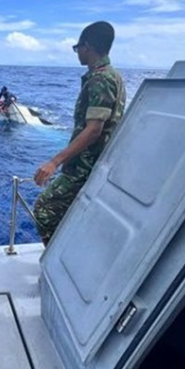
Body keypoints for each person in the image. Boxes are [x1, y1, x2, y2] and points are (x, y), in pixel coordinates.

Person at [33, 21, 126, 246]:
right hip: (97, 163)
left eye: (78, 48)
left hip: (85, 166)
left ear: (87, 47)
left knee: (44, 208)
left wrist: (54, 162)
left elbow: (94, 129)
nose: (77, 54)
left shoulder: (100, 79)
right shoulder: (114, 75)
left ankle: (57, 263)